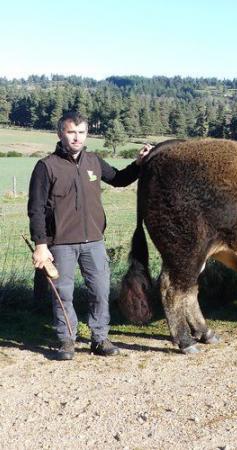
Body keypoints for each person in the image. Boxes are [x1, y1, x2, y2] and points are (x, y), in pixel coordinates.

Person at [28, 111, 152, 360]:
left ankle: (99, 338)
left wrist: (138, 164)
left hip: (94, 242)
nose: (76, 137)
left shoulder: (94, 161)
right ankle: (66, 340)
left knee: (99, 291)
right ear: (60, 133)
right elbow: (36, 209)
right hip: (60, 244)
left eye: (81, 132)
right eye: (71, 132)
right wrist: (41, 245)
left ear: (87, 134)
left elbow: (119, 179)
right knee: (63, 294)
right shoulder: (46, 166)